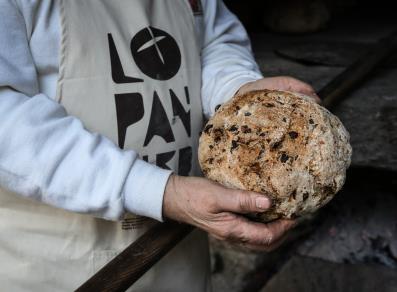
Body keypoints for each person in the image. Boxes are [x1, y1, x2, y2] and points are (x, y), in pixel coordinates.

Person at [0, 0, 318, 291]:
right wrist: (162, 192)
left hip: (179, 266)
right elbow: (6, 121)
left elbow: (211, 39)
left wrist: (238, 92)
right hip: (58, 271)